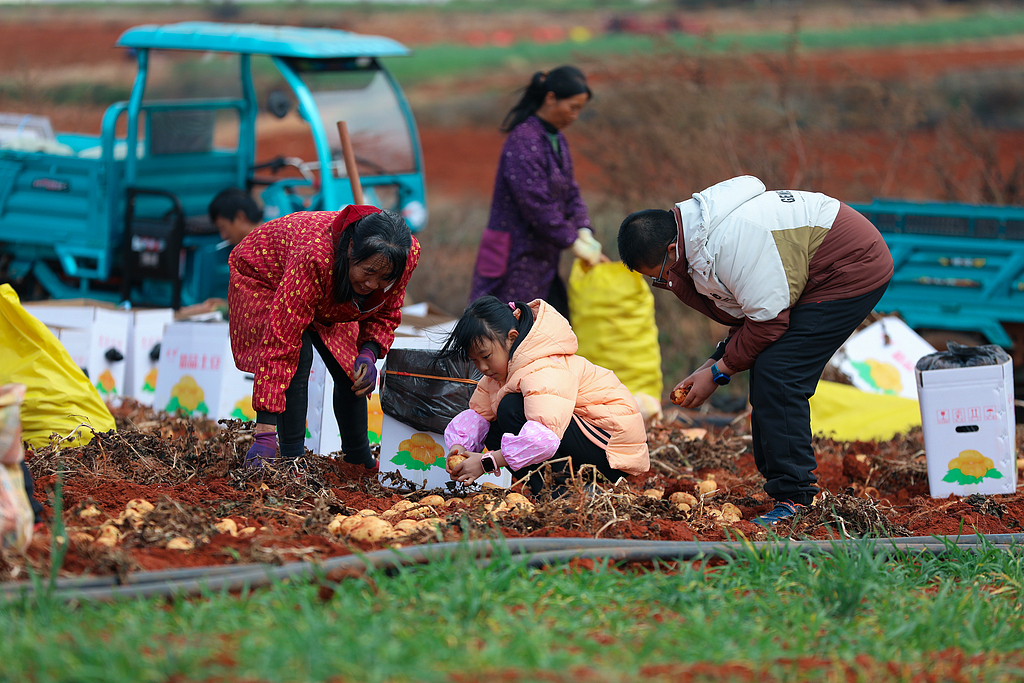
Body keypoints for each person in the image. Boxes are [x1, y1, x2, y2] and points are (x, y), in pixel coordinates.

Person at [618, 175, 893, 527]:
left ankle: (795, 500)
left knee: (780, 373)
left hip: (851, 267)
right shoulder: (699, 243)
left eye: (659, 273)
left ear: (672, 250)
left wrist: (718, 374)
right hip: (815, 274)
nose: (664, 280)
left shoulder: (729, 244)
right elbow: (752, 313)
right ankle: (782, 488)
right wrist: (713, 362)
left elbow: (768, 323)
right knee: (768, 366)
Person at [228, 205, 419, 469]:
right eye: (368, 272)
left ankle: (358, 459)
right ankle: (291, 459)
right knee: (299, 357)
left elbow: (387, 308)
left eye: (383, 278)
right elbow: (280, 345)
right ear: (351, 248)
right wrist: (264, 432)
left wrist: (369, 351)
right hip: (265, 277)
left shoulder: (405, 255)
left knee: (350, 367)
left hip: (329, 286)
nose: (373, 285)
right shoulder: (315, 256)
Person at [436, 296, 649, 495]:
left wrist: (486, 463)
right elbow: (479, 415)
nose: (482, 367)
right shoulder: (501, 372)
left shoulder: (543, 367)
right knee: (495, 429)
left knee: (510, 408)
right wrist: (460, 447)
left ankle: (568, 493)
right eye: (474, 360)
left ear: (512, 338)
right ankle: (553, 493)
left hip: (610, 448)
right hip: (582, 437)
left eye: (486, 356)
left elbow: (544, 438)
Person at [469, 65, 603, 321]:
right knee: (505, 327)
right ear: (550, 98)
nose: (575, 116)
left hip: (541, 258)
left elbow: (570, 190)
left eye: (579, 110)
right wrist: (572, 240)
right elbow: (535, 203)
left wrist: (584, 230)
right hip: (514, 258)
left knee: (546, 327)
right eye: (572, 107)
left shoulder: (556, 139)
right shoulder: (523, 139)